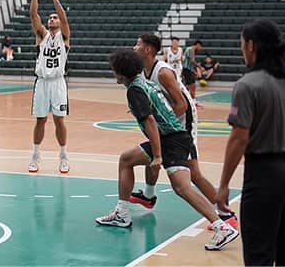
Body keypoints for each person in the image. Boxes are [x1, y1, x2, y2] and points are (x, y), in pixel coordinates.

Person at [96, 48, 239, 252]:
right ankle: (123, 213)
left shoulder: (135, 90)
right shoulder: (144, 83)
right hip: (174, 136)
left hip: (171, 139)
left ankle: (221, 226)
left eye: (114, 70)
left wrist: (157, 155)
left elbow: (151, 122)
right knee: (126, 159)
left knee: (182, 187)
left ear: (121, 73)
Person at [217, 19, 285, 265]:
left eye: (242, 43)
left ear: (252, 45)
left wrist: (224, 184)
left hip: (264, 173)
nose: (241, 48)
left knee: (259, 253)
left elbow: (239, 138)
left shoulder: (247, 85)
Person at [131, 34, 237, 227]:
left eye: (137, 44)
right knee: (155, 149)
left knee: (193, 173)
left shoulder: (162, 72)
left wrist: (168, 125)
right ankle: (148, 195)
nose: (134, 47)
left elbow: (182, 104)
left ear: (147, 49)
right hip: (172, 122)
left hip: (184, 121)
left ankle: (225, 213)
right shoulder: (144, 71)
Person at [27, 0, 71, 174]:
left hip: (58, 83)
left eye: (54, 18)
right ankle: (35, 156)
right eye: (50, 18)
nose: (52, 19)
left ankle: (63, 156)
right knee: (40, 120)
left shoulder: (64, 37)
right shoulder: (41, 35)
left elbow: (64, 18)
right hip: (42, 82)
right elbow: (33, 15)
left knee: (60, 120)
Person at [181, 40, 203, 104]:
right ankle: (192, 102)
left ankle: (190, 101)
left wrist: (193, 71)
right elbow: (192, 60)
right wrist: (199, 66)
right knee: (191, 86)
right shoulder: (191, 50)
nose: (200, 48)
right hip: (187, 70)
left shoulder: (189, 49)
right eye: (200, 47)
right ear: (198, 45)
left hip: (188, 70)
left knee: (189, 86)